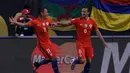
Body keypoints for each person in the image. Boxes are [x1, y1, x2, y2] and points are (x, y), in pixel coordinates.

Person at [57, 8, 108, 73]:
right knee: (82, 61)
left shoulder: (92, 21)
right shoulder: (77, 20)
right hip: (80, 43)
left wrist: (103, 41)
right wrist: (58, 23)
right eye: (82, 12)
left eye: (84, 12)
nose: (82, 13)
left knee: (89, 61)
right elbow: (67, 23)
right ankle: (75, 61)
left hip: (88, 44)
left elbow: (97, 32)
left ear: (88, 13)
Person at [9, 8, 60, 73]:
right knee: (53, 58)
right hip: (42, 44)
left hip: (49, 42)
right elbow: (24, 25)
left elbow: (52, 23)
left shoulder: (47, 20)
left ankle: (37, 64)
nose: (47, 14)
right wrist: (15, 22)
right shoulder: (35, 22)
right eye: (46, 12)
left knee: (52, 58)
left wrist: (54, 24)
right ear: (42, 13)